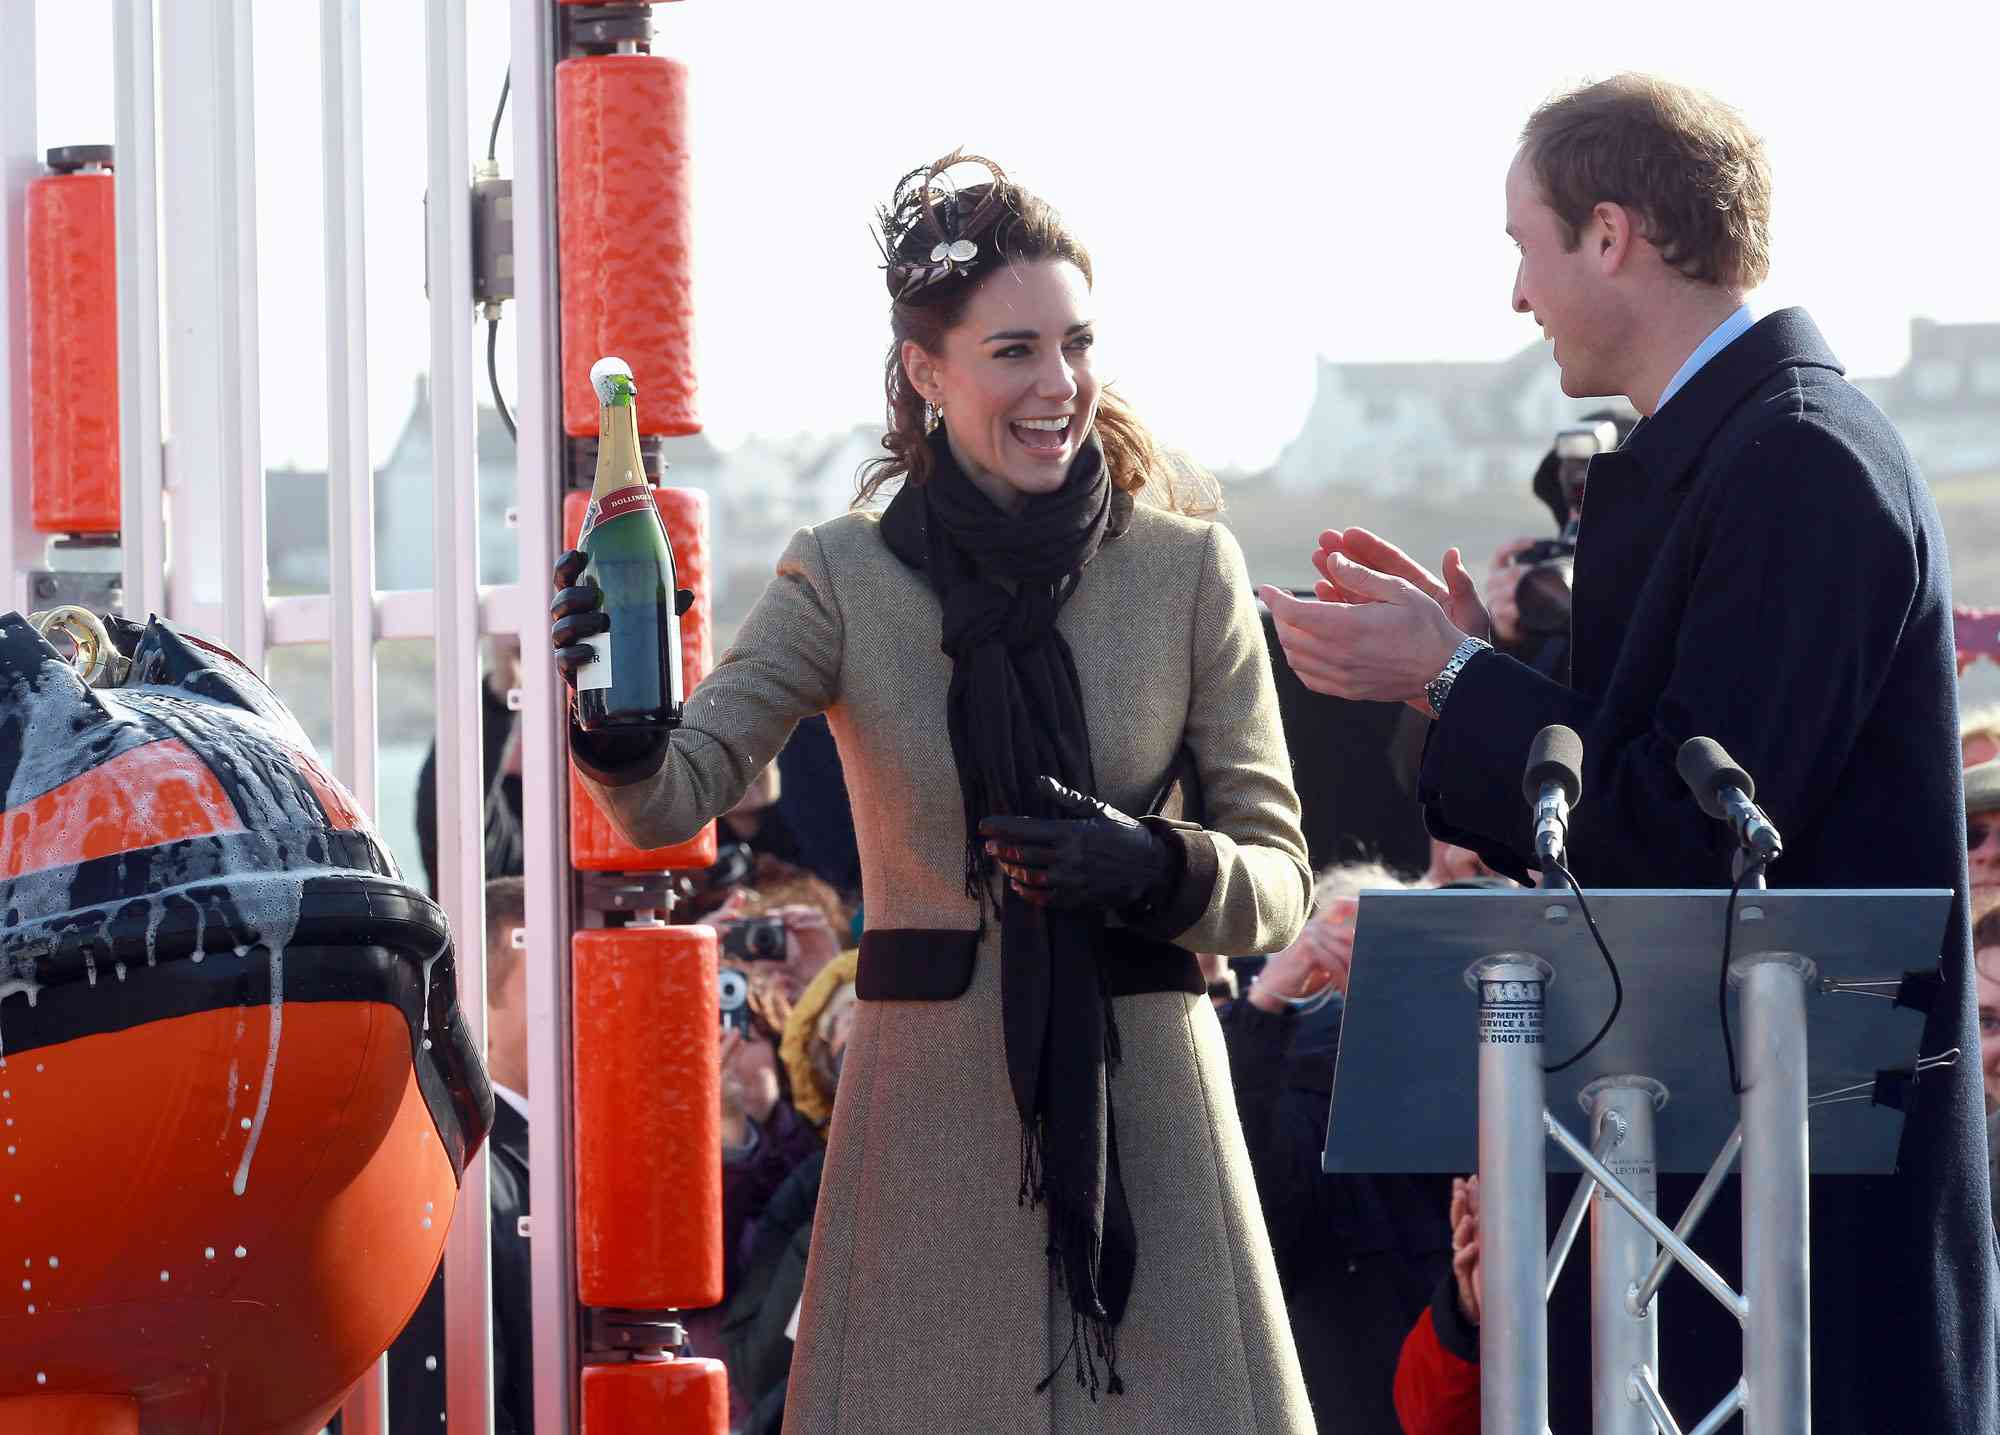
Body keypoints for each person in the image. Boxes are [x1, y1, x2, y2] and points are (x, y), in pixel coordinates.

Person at [1262, 73, 1997, 1432]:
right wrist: (1495, 672)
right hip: (1717, 1207)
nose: (1518, 297)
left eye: (1523, 247)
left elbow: (1696, 822)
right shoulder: (1741, 447)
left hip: (1796, 1255)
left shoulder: (1800, 458)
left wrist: (1455, 674)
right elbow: (1662, 768)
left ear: (1613, 235)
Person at [549, 152, 1314, 1432]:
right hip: (924, 1144)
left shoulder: (1187, 568)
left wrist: (1152, 865)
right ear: (926, 372)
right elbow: (675, 791)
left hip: (1157, 1132)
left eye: (1075, 344)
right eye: (1012, 349)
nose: (1056, 385)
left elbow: (1279, 882)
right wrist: (611, 722)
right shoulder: (842, 575)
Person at [1221, 861, 1449, 1433]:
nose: (1352, 975)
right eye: (1341, 953)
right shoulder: (1288, 1091)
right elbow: (1249, 1201)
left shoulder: (1450, 1079)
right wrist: (1270, 1000)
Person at [386, 876, 533, 1434]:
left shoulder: (585, 1156)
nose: (588, 989)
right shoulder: (452, 1177)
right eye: (555, 973)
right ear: (475, 1006)